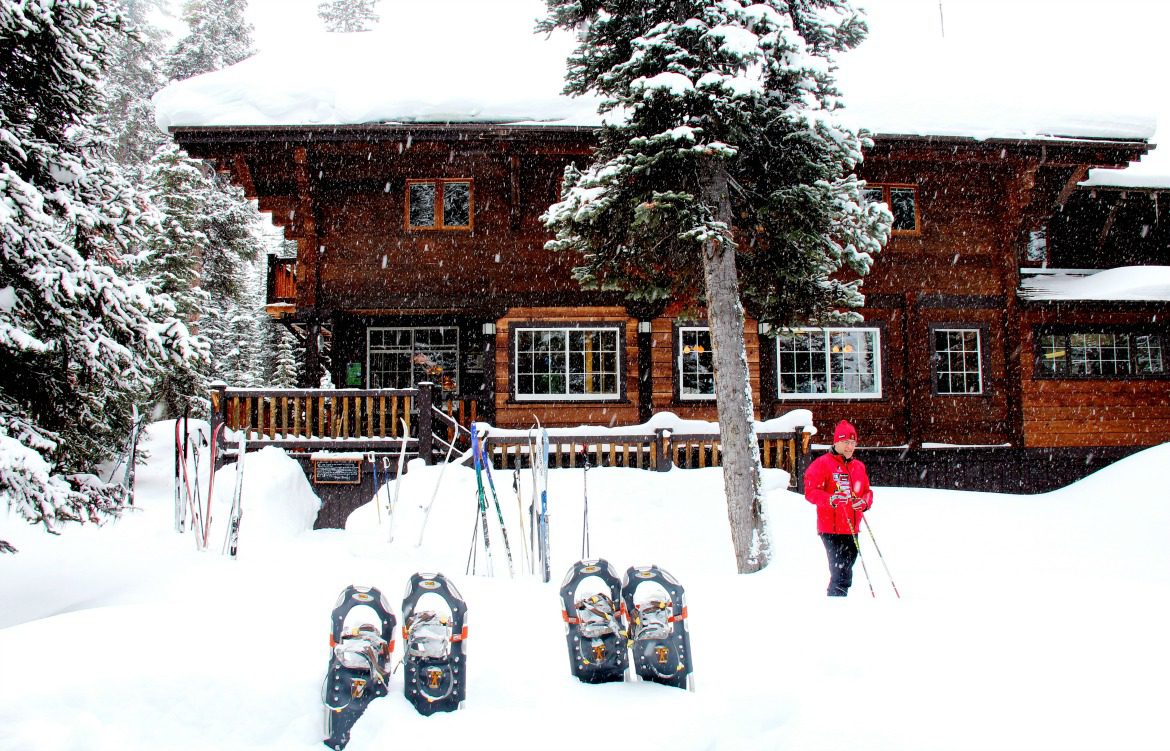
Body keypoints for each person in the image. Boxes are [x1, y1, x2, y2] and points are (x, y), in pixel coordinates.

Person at [803, 420, 873, 596]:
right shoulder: (822, 464)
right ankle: (835, 606)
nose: (850, 447)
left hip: (852, 527)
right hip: (831, 528)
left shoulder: (858, 466)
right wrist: (831, 499)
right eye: (846, 442)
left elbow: (867, 492)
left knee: (846, 571)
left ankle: (837, 603)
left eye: (853, 443)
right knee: (840, 573)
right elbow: (810, 492)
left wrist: (864, 503)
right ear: (836, 442)